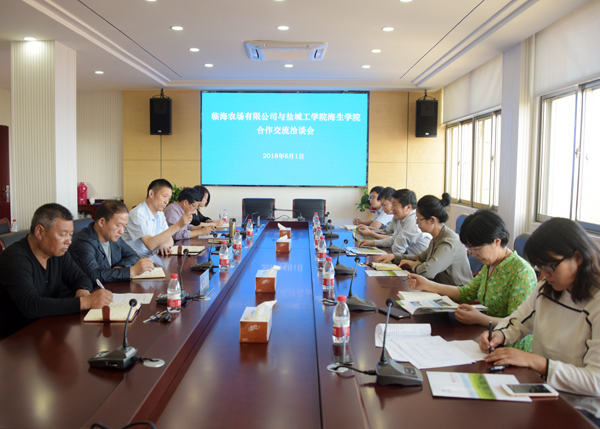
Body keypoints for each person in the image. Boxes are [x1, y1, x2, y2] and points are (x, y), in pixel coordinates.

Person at [480, 218, 600, 424]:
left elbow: (595, 381)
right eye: (540, 267)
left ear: (578, 257)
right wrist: (499, 335)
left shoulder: (595, 303)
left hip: (582, 410)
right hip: (542, 390)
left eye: (550, 267)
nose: (543, 275)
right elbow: (518, 321)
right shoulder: (547, 288)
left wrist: (536, 362)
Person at [408, 210, 537, 351]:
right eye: (470, 249)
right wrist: (427, 284)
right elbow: (466, 292)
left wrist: (480, 318)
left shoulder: (521, 273)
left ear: (497, 242)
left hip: (510, 349)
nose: (474, 255)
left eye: (477, 249)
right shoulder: (491, 264)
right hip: (485, 338)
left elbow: (518, 324)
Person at [0, 204, 113, 337]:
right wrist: (86, 302)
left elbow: (80, 277)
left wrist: (83, 291)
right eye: (62, 234)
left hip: (48, 327)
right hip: (16, 337)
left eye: (70, 235)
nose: (69, 241)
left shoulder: (57, 253)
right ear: (39, 232)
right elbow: (31, 306)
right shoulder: (15, 258)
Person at [375, 193, 472, 286]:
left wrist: (413, 265)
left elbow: (427, 271)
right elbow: (420, 258)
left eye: (419, 219)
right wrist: (394, 256)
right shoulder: (437, 237)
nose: (416, 223)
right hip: (438, 286)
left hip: (455, 293)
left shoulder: (448, 242)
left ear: (432, 220)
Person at [69, 201, 155, 283]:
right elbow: (94, 276)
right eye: (118, 225)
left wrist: (121, 267)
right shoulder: (83, 242)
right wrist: (131, 271)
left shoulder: (113, 237)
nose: (121, 231)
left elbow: (133, 255)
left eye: (124, 226)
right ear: (102, 222)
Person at [121, 179, 193, 257]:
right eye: (164, 196)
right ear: (151, 194)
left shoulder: (160, 214)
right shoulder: (138, 213)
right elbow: (150, 244)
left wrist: (164, 245)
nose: (166, 202)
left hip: (153, 257)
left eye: (169, 198)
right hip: (136, 260)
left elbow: (170, 239)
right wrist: (178, 225)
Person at [358, 189, 431, 256]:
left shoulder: (413, 220)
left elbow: (397, 249)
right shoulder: (403, 218)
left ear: (408, 207)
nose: (392, 208)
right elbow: (393, 239)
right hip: (408, 258)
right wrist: (372, 243)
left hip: (419, 262)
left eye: (394, 204)